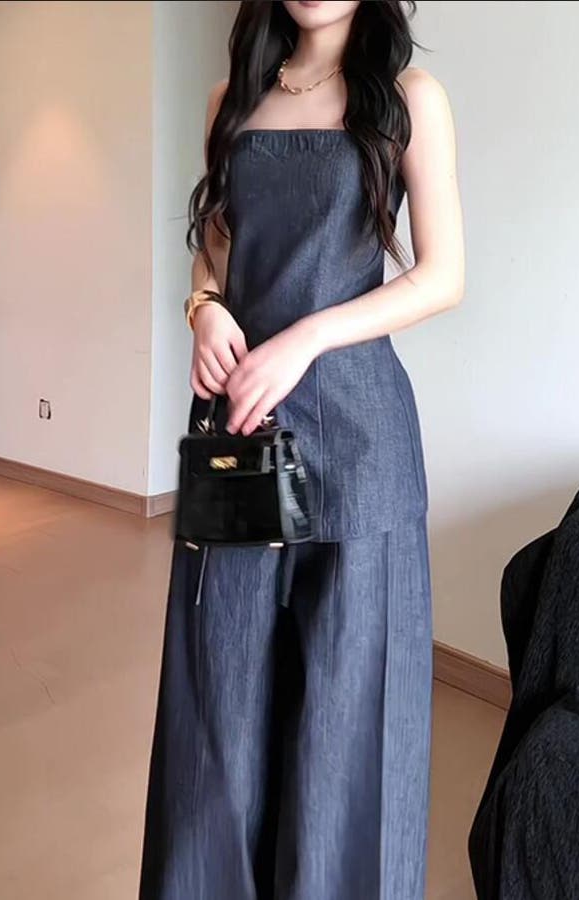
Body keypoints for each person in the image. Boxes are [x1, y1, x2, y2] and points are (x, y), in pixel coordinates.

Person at [140, 1, 464, 897]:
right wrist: (205, 308)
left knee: (350, 724)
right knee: (218, 710)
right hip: (241, 433)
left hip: (361, 446)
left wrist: (307, 337)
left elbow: (444, 275)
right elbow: (215, 247)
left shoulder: (409, 95)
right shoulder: (231, 99)